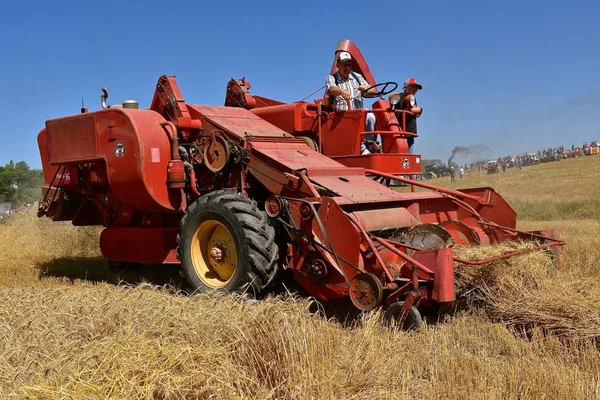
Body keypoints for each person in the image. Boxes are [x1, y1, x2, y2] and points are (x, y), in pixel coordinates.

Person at [325, 52, 378, 153]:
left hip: (359, 115)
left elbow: (373, 91)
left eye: (349, 65)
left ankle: (370, 145)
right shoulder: (332, 78)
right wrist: (341, 91)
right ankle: (362, 148)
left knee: (371, 116)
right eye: (344, 64)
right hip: (342, 117)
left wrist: (366, 88)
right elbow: (332, 89)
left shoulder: (357, 77)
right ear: (338, 65)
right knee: (354, 123)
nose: (347, 67)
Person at [389, 78, 423, 151]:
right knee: (402, 157)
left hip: (410, 133)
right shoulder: (400, 97)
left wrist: (417, 110)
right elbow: (412, 109)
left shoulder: (412, 98)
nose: (414, 90)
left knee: (409, 159)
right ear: (405, 87)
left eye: (416, 89)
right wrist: (419, 110)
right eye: (412, 87)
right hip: (401, 133)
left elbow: (415, 112)